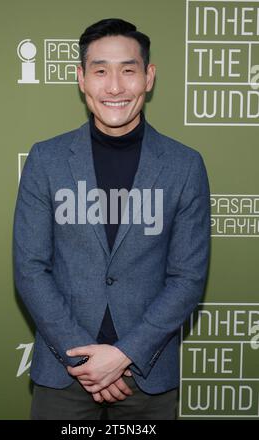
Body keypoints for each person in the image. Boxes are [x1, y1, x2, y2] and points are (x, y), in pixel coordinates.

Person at [13, 18, 211, 420]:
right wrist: (83, 358)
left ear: (149, 77)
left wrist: (124, 354)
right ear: (81, 79)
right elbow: (31, 268)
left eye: (129, 70)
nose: (115, 87)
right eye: (101, 71)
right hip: (64, 375)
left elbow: (188, 278)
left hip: (148, 375)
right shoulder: (46, 160)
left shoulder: (184, 166)